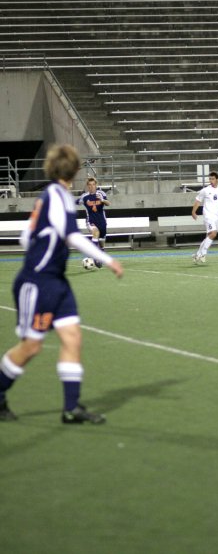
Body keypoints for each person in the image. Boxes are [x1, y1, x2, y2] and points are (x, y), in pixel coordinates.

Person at [0, 144, 123, 424]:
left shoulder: (52, 196)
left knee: (72, 337)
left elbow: (25, 238)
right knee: (31, 346)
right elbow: (72, 237)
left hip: (56, 281)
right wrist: (107, 258)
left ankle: (71, 408)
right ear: (75, 170)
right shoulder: (58, 195)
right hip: (38, 281)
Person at [191, 171, 218, 263]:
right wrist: (193, 212)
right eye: (210, 179)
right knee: (213, 233)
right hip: (208, 216)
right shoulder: (205, 190)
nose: (211, 180)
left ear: (217, 180)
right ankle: (203, 253)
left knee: (209, 236)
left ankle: (197, 255)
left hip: (217, 217)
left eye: (212, 179)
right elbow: (197, 201)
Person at [76, 177, 110, 267]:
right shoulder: (84, 197)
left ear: (96, 185)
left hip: (102, 221)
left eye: (93, 184)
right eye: (90, 185)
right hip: (90, 220)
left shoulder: (101, 193)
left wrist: (102, 200)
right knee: (95, 233)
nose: (92, 186)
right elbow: (76, 202)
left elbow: (108, 203)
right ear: (87, 186)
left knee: (102, 242)